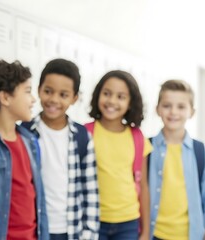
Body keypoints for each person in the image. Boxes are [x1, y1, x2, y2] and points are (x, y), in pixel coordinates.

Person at [0, 60, 49, 240]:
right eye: (27, 91)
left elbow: (40, 200)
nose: (33, 99)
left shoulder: (30, 141)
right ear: (5, 97)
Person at [21, 58, 100, 240]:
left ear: (74, 98)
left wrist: (88, 234)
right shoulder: (23, 132)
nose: (54, 99)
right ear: (39, 90)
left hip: (71, 229)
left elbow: (90, 190)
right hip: (36, 228)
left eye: (63, 95)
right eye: (48, 91)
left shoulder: (81, 136)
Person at [148, 79, 205, 240]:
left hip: (190, 236)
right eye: (167, 105)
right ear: (157, 109)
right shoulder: (147, 148)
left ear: (191, 112)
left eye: (181, 107)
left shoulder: (200, 152)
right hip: (153, 234)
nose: (173, 112)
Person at [85, 70, 152, 240]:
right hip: (93, 219)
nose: (112, 101)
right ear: (98, 95)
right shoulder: (85, 133)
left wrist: (145, 232)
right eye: (107, 94)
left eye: (121, 97)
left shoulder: (138, 138)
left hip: (128, 222)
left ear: (130, 103)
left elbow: (143, 186)